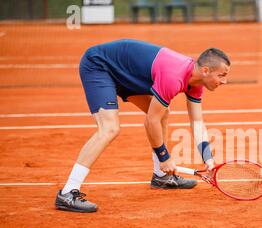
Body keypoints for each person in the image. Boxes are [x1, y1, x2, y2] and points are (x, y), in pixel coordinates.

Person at [55, 39, 231, 213]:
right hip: (100, 64)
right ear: (206, 71)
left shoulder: (196, 83)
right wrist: (164, 157)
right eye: (222, 75)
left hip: (126, 71)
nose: (224, 81)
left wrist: (208, 158)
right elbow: (150, 122)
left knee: (163, 113)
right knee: (109, 128)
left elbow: (197, 122)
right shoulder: (174, 77)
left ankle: (161, 177)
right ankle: (68, 192)